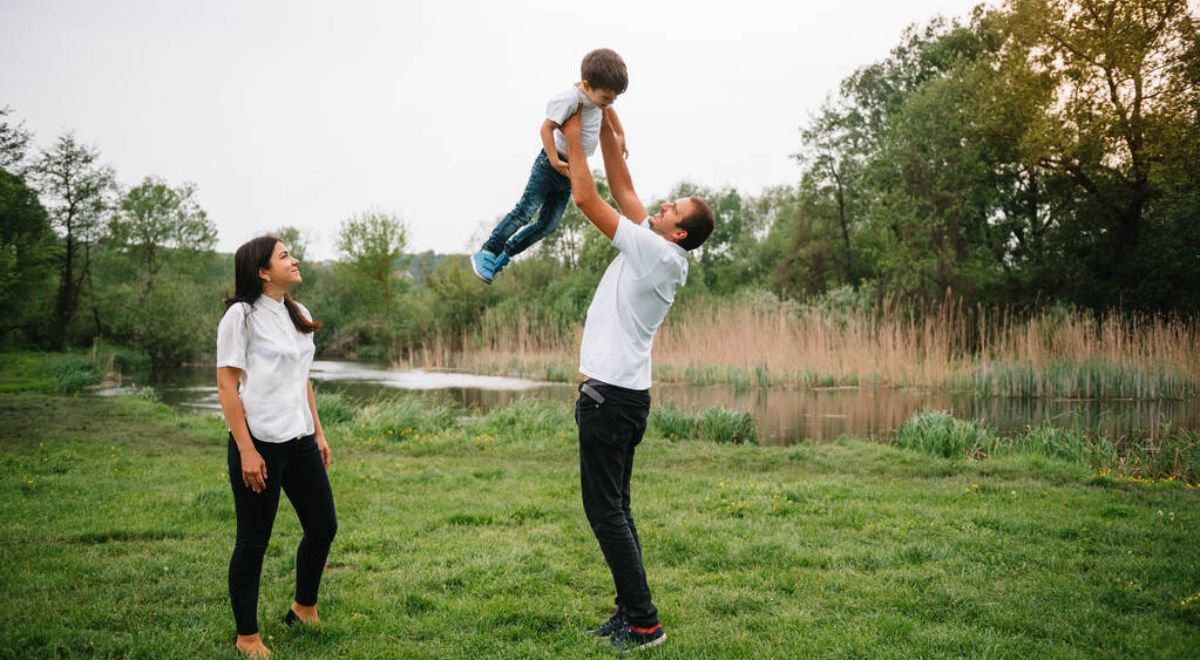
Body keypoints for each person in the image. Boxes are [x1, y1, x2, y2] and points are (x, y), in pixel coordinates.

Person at [560, 101, 714, 651]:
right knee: (618, 510)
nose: (663, 204)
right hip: (623, 398)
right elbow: (624, 190)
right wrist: (606, 126)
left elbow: (587, 198)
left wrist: (573, 136)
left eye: (674, 208)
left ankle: (645, 624)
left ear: (677, 233)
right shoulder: (662, 249)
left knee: (605, 513)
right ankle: (629, 612)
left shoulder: (653, 252)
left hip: (610, 401)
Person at [216, 236, 338, 658]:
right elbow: (227, 385)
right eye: (285, 256)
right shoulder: (241, 316)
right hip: (260, 443)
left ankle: (303, 608)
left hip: (300, 439)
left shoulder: (298, 312)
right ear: (263, 272)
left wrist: (318, 431)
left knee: (323, 526)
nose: (295, 259)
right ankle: (246, 636)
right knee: (253, 542)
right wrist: (246, 450)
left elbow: (301, 378)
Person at [471, 48, 629, 284]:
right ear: (586, 86)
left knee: (548, 225)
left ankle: (506, 253)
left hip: (572, 169)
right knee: (525, 211)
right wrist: (554, 159)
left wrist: (620, 134)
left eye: (614, 97)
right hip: (550, 164)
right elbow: (546, 128)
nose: (610, 102)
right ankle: (488, 251)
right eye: (607, 97)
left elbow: (609, 111)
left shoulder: (600, 100)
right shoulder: (569, 99)